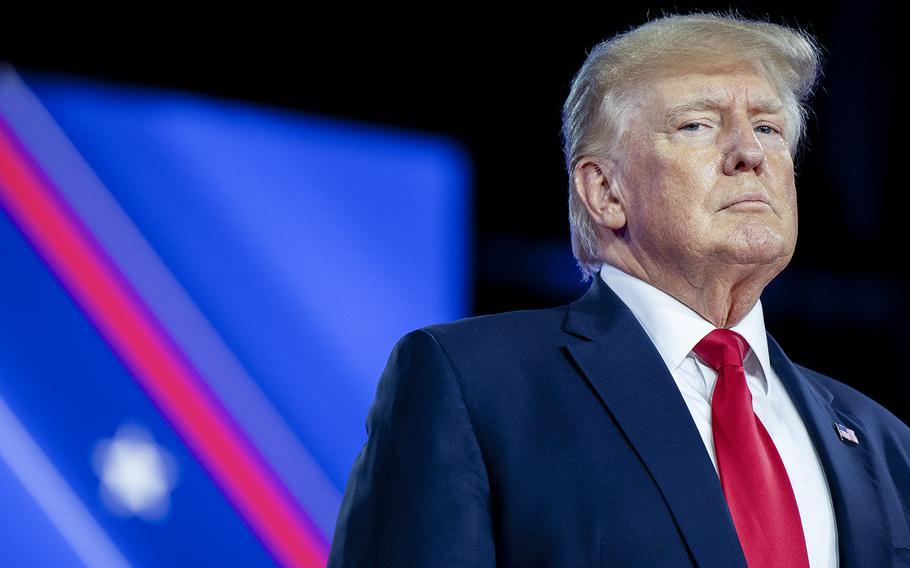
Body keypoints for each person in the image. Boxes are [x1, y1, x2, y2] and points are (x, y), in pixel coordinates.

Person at [328, 13, 910, 568]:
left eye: (767, 127)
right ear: (604, 191)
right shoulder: (474, 385)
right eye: (697, 125)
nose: (750, 153)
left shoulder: (885, 442)